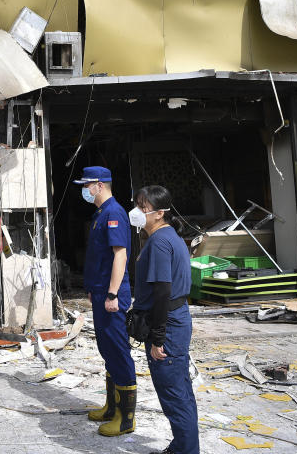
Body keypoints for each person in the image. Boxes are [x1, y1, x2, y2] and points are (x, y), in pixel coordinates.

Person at [131, 185, 199, 454]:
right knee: (179, 391)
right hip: (174, 319)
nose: (136, 211)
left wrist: (158, 337)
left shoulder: (160, 241)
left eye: (142, 206)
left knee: (174, 395)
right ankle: (182, 446)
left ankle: (185, 450)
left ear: (159, 213)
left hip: (168, 324)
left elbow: (162, 291)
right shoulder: (167, 237)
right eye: (136, 203)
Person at [74, 166, 136, 436]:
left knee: (118, 351)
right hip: (100, 292)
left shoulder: (113, 213)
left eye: (86, 186)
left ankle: (126, 419)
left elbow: (119, 255)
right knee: (107, 349)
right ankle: (112, 407)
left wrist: (112, 293)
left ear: (99, 185)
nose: (84, 191)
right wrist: (95, 289)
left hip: (111, 296)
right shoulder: (101, 213)